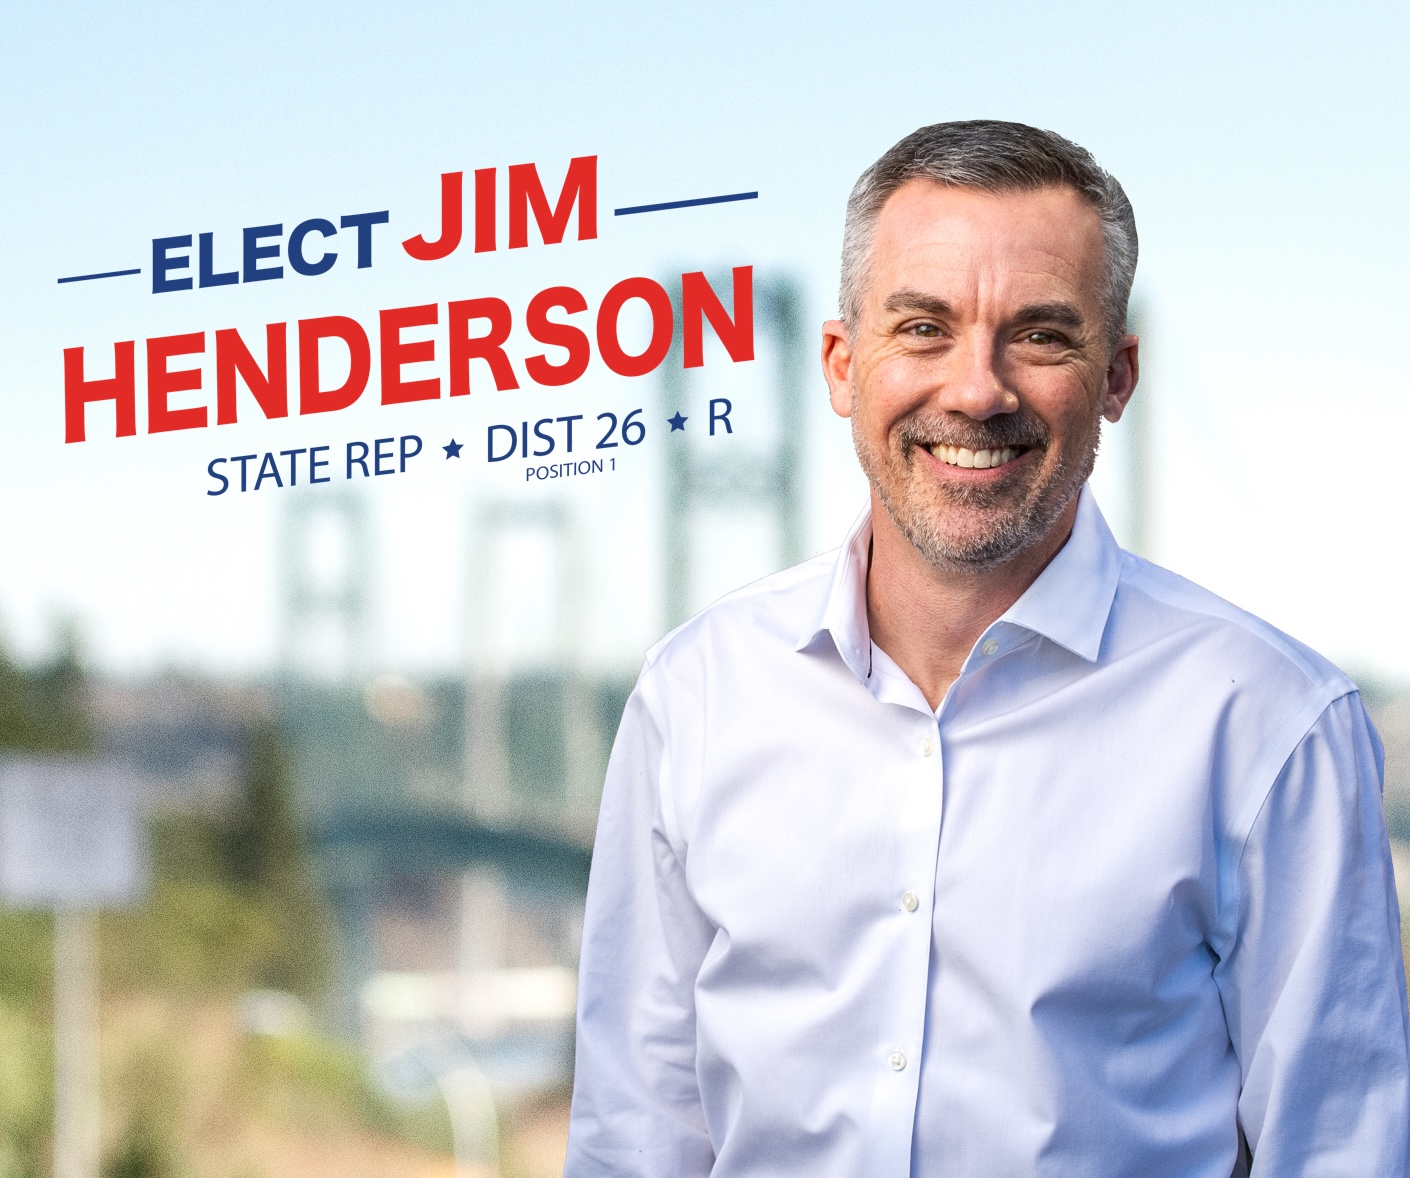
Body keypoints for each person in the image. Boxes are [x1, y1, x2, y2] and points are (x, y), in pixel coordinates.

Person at [562, 120, 1410, 1176]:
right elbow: (633, 1141)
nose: (976, 389)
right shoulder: (693, 695)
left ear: (1118, 375)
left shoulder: (1273, 724)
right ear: (840, 363)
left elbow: (1343, 1150)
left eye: (1042, 335)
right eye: (922, 327)